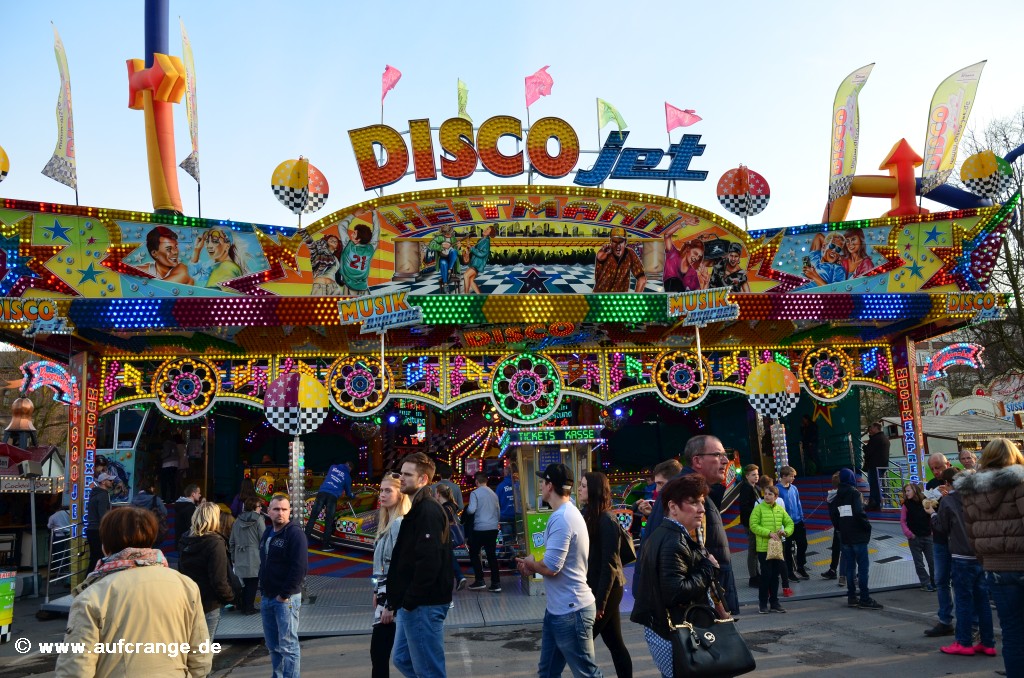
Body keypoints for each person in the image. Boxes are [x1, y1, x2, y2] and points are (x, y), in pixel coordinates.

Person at [55, 507, 212, 677]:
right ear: (151, 539)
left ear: (105, 545)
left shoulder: (92, 596)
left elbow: (76, 669)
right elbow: (201, 657)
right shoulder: (185, 585)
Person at [515, 463, 603, 678]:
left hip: (571, 612)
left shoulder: (562, 518)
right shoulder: (566, 513)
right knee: (547, 672)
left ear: (549, 485)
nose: (540, 486)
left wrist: (531, 563)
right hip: (559, 610)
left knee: (587, 674)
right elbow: (555, 562)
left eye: (542, 482)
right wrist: (532, 566)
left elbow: (551, 567)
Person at [630, 474, 721, 678]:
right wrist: (708, 568)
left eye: (702, 502)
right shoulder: (673, 541)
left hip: (668, 630)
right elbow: (676, 591)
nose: (701, 509)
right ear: (673, 507)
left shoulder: (667, 534)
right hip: (674, 634)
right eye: (693, 502)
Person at [956, 437, 1024, 673]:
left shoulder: (971, 490)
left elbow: (972, 534)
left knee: (1012, 632)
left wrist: (987, 562)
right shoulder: (1019, 482)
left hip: (995, 569)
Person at [385, 453, 454, 678]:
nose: (401, 479)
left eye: (407, 474)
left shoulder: (428, 510)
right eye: (400, 474)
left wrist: (411, 600)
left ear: (423, 479)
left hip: (424, 604)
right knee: (402, 658)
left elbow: (429, 561)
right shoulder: (418, 509)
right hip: (414, 603)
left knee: (429, 671)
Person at [926, 467, 997, 657]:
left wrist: (932, 513)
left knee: (963, 600)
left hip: (961, 556)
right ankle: (988, 642)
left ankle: (964, 642)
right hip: (979, 554)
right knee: (982, 601)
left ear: (949, 484)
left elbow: (941, 527)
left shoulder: (948, 501)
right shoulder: (977, 498)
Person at [580, 472, 632, 678]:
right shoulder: (588, 515)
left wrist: (600, 602)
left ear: (594, 490)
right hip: (597, 586)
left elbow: (609, 565)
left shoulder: (607, 520)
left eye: (584, 486)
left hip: (608, 589)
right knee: (615, 643)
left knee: (581, 644)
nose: (580, 489)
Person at [259, 495, 308, 678]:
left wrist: (284, 595)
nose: (280, 513)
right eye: (276, 509)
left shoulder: (295, 534)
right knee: (273, 646)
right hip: (267, 597)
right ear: (269, 511)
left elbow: (300, 568)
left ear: (290, 512)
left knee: (288, 646)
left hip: (285, 600)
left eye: (284, 509)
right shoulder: (267, 532)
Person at [371, 472, 411, 678]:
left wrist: (389, 604)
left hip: (392, 600)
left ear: (400, 494)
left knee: (383, 654)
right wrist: (375, 592)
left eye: (388, 490)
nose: (382, 495)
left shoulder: (399, 524)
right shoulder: (387, 523)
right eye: (381, 490)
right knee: (381, 654)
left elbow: (398, 568)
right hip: (385, 597)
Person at [178, 502, 235, 639]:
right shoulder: (215, 542)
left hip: (188, 600)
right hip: (209, 603)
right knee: (205, 646)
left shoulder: (185, 539)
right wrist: (230, 597)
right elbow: (219, 579)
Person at [830, 468, 883, 609]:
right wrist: (867, 526)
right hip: (858, 535)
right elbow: (859, 512)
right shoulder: (855, 493)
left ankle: (852, 596)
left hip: (845, 535)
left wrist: (840, 528)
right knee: (863, 568)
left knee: (850, 567)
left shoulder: (836, 495)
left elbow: (834, 515)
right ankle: (865, 598)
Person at [750, 484, 794, 614]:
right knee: (766, 576)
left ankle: (774, 602)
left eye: (770, 494)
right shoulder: (758, 509)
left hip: (777, 547)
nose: (767, 496)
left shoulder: (780, 509)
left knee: (775, 576)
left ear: (776, 497)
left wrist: (785, 532)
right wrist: (768, 533)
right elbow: (753, 525)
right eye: (766, 494)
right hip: (763, 548)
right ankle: (763, 603)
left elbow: (790, 523)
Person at [466, 471, 502, 593]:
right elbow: (498, 512)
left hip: (480, 528)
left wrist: (466, 511)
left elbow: (471, 510)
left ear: (476, 481)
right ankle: (496, 583)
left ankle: (480, 580)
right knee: (491, 555)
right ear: (486, 481)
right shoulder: (493, 494)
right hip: (492, 528)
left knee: (474, 553)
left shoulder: (475, 493)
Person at [305, 461, 352, 551]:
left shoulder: (332, 467)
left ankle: (303, 543)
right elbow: (348, 493)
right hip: (332, 497)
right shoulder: (347, 476)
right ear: (350, 468)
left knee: (312, 518)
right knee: (329, 521)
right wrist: (353, 496)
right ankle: (325, 545)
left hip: (321, 493)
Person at [230, 495, 266, 615]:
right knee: (253, 582)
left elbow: (232, 541)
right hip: (254, 555)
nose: (261, 508)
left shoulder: (237, 520)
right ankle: (249, 607)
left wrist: (233, 556)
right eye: (259, 506)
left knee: (243, 582)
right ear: (254, 507)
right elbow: (263, 538)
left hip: (239, 554)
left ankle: (243, 605)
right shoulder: (259, 519)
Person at [900, 482, 935, 591]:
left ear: (915, 490)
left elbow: (931, 515)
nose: (906, 493)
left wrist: (932, 531)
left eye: (908, 490)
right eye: (905, 491)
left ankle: (934, 581)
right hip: (915, 538)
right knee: (919, 563)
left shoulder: (925, 501)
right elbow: (902, 521)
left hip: (927, 536)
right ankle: (925, 582)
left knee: (932, 561)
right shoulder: (906, 505)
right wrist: (909, 534)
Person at [777, 466, 810, 580]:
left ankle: (801, 566)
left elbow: (798, 502)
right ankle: (789, 571)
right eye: (791, 476)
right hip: (786, 524)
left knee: (803, 544)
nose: (793, 478)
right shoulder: (777, 490)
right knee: (788, 548)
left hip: (798, 521)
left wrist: (801, 516)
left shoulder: (794, 488)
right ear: (784, 476)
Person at [338, 211, 381, 295]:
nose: (351, 234)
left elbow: (341, 225)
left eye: (354, 233)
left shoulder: (348, 245)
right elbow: (376, 231)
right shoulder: (371, 248)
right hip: (363, 287)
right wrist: (374, 212)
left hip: (350, 287)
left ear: (358, 239)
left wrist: (354, 214)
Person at [435, 482, 468, 591]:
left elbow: (441, 522)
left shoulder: (445, 508)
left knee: (446, 558)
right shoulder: (452, 505)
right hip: (449, 536)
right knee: (448, 557)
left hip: (445, 537)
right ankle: (459, 577)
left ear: (438, 494)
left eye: (435, 493)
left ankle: (457, 578)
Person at [593, 227, 646, 293]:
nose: (618, 245)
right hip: (600, 296)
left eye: (621, 242)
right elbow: (600, 257)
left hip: (620, 297)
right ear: (610, 242)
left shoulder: (630, 253)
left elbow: (642, 278)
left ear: (625, 242)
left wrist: (636, 297)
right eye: (615, 242)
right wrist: (602, 255)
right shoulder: (605, 251)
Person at [86, 472, 116, 571]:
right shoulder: (103, 495)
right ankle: (92, 577)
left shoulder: (94, 494)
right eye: (110, 480)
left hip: (91, 529)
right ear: (103, 482)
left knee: (94, 558)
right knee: (100, 557)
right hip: (98, 530)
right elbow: (102, 515)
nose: (112, 482)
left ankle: (89, 577)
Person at [302, 226, 344, 296]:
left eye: (336, 241)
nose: (333, 240)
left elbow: (338, 276)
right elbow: (310, 243)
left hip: (333, 287)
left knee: (339, 303)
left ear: (337, 248)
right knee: (317, 303)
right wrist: (303, 232)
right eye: (331, 239)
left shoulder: (336, 260)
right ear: (326, 242)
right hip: (319, 286)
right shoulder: (318, 252)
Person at [738, 464, 762, 586]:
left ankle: (756, 574)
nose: (756, 476)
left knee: (756, 549)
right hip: (750, 523)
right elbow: (745, 507)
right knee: (753, 550)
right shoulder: (746, 488)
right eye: (753, 475)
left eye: (757, 474)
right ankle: (753, 577)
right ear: (747, 476)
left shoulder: (756, 488)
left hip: (755, 522)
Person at [131, 478, 168, 547]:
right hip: (152, 529)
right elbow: (165, 512)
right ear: (151, 488)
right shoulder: (155, 499)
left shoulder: (134, 499)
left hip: (137, 530)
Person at [863, 422, 888, 510]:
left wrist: (865, 448)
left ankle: (874, 503)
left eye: (872, 428)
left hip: (874, 465)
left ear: (876, 428)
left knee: (874, 484)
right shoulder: (884, 438)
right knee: (876, 484)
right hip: (882, 464)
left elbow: (869, 452)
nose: (870, 430)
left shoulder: (875, 439)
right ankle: (876, 502)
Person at [463, 224, 495, 294]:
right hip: (475, 262)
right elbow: (476, 250)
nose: (485, 230)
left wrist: (472, 248)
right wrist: (470, 248)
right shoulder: (481, 240)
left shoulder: (486, 241)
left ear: (489, 233)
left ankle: (466, 296)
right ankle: (479, 295)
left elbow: (482, 254)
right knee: (471, 280)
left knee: (466, 275)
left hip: (477, 264)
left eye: (487, 229)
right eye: (486, 228)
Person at [174, 483, 202, 554]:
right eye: (198, 493)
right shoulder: (190, 508)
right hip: (187, 542)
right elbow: (191, 526)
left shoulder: (181, 505)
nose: (200, 495)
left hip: (180, 540)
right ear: (193, 494)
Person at [47, 504, 71, 577]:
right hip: (69, 534)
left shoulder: (52, 516)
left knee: (59, 553)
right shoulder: (68, 512)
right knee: (67, 552)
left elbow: (49, 526)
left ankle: (60, 569)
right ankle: (67, 567)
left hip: (59, 535)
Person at [160, 435, 179, 502]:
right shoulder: (174, 444)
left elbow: (167, 453)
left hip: (167, 464)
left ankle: (164, 498)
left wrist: (160, 456)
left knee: (164, 482)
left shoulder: (166, 443)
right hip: (175, 464)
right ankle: (172, 498)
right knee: (172, 482)